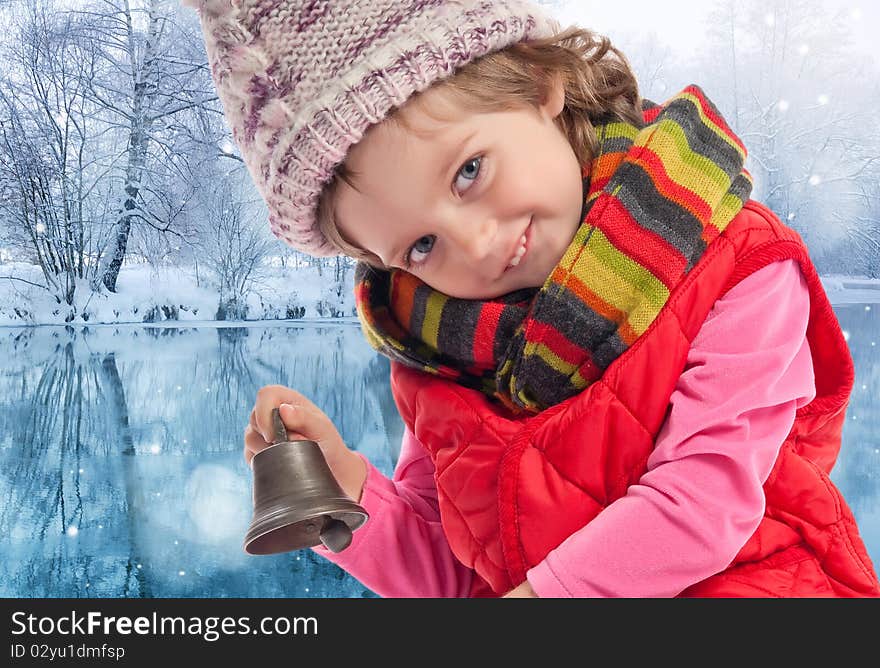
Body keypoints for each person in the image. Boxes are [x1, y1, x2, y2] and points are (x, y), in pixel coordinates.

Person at [185, 0, 880, 597]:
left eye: (469, 172)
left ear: (537, 82)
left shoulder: (738, 268)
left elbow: (702, 506)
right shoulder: (438, 347)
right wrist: (348, 494)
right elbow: (458, 577)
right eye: (421, 247)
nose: (477, 245)